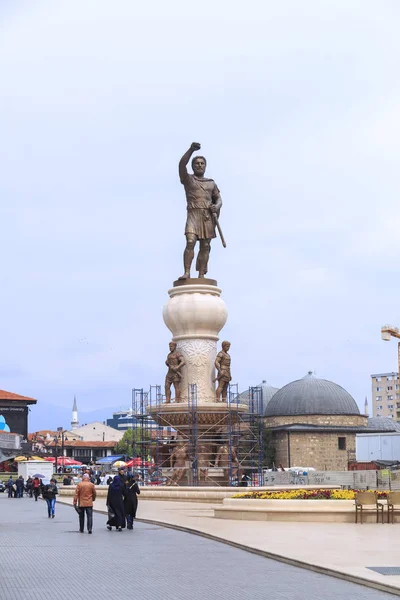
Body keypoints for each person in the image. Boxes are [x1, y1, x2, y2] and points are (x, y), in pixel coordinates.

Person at [178, 142, 223, 279]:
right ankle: (186, 272)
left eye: (202, 163)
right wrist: (191, 150)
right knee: (190, 241)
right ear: (193, 166)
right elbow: (181, 165)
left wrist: (217, 206)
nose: (199, 165)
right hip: (193, 214)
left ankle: (201, 274)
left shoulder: (211, 183)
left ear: (205, 166)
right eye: (197, 163)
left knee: (205, 246)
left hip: (206, 217)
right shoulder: (188, 179)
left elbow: (219, 199)